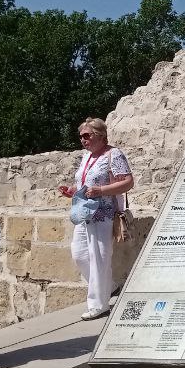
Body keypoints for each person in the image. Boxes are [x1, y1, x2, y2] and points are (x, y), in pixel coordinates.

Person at [58, 119, 133, 321]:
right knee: (79, 254)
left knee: (99, 257)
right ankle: (109, 287)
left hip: (104, 214)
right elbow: (85, 183)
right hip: (84, 213)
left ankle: (98, 304)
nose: (83, 140)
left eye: (87, 135)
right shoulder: (87, 157)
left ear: (100, 135)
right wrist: (73, 190)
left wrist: (101, 191)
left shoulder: (113, 154)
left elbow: (127, 182)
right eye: (81, 136)